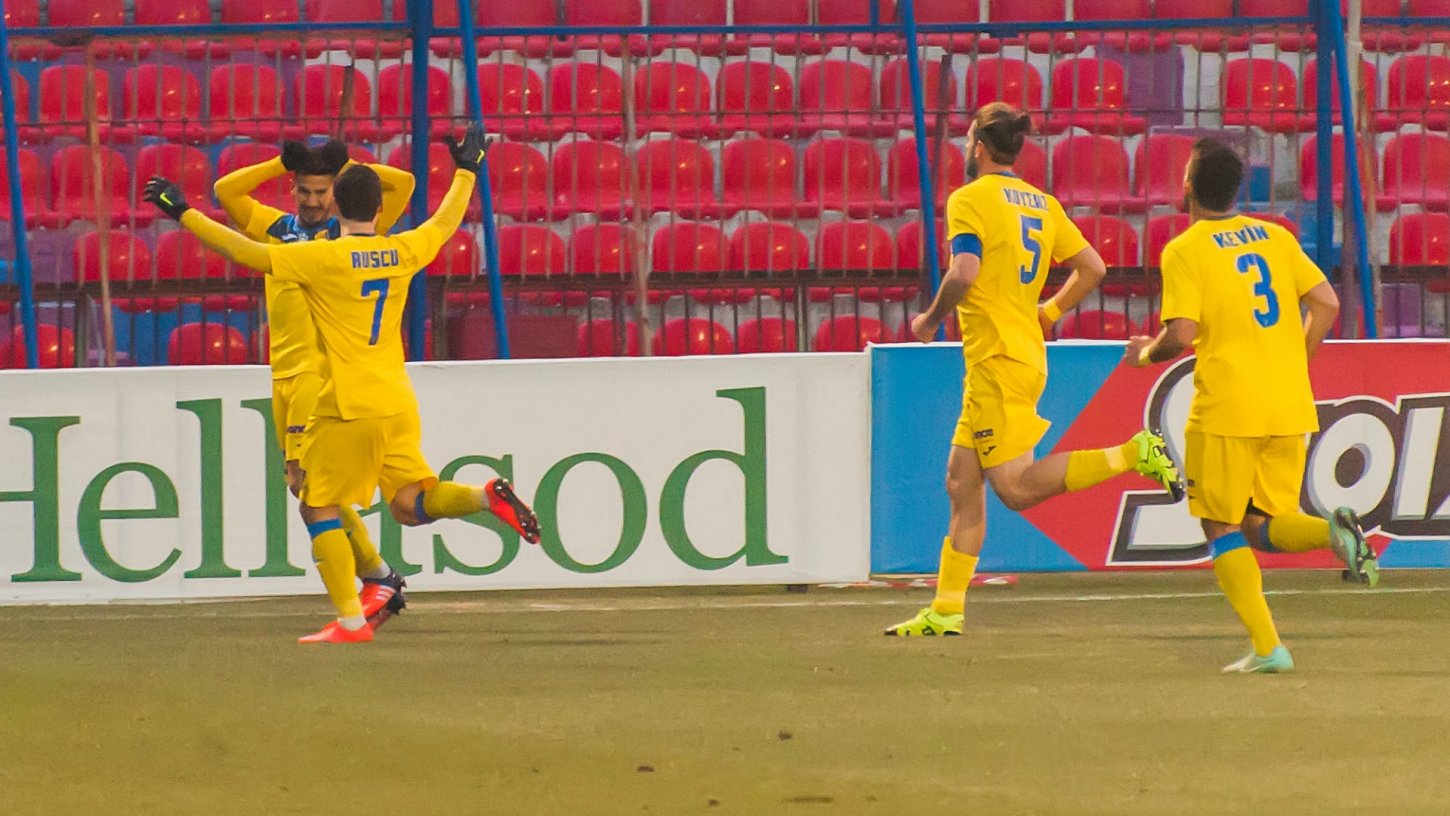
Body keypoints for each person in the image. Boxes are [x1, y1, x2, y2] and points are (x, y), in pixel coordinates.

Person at [146, 124, 541, 644]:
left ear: (335, 203)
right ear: (379, 209)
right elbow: (446, 220)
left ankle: (352, 621)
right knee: (408, 504)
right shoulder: (405, 248)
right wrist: (468, 170)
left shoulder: (321, 257)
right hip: (395, 398)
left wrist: (183, 213)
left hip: (343, 401)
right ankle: (483, 495)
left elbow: (244, 251)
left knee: (316, 504)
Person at [885, 102, 1184, 638]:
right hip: (1014, 355)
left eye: (968, 140)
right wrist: (1048, 312)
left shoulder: (969, 199)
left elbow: (964, 271)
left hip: (997, 360)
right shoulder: (1042, 204)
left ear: (979, 147)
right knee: (961, 480)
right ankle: (946, 610)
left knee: (1016, 489)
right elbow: (1093, 267)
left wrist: (929, 320)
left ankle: (1133, 452)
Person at [1124, 138, 1377, 674]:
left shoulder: (1185, 249)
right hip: (1287, 403)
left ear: (1188, 185)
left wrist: (1145, 355)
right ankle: (1331, 531)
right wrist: (1296, 360)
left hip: (1228, 407)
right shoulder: (1275, 236)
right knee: (1261, 524)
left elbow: (1181, 333)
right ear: (1238, 188)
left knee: (1220, 526)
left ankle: (1269, 648)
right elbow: (1327, 302)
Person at [215, 140, 418, 627]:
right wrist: (281, 162)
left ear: (336, 194)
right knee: (307, 488)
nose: (311, 200)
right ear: (293, 190)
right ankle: (380, 575)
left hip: (319, 377)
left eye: (321, 191)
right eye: (304, 190)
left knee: (309, 486)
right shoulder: (277, 229)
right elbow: (226, 191)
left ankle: (375, 577)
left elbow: (404, 185)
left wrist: (345, 164)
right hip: (282, 372)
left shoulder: (344, 238)